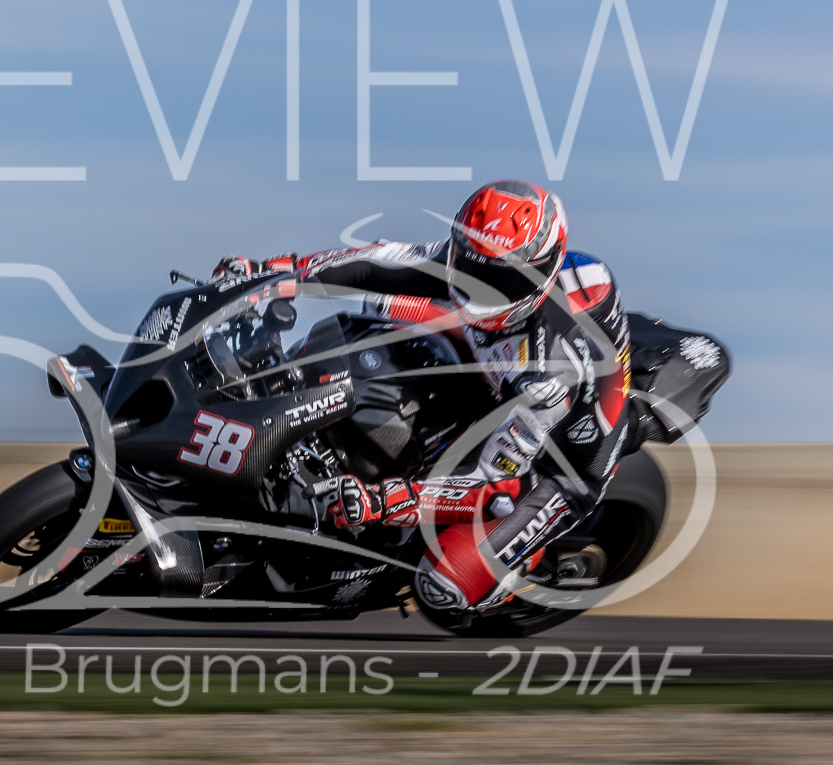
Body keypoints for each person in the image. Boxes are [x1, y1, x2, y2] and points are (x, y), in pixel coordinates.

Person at [211, 180, 632, 628]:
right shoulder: (479, 258)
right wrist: (269, 274)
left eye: (501, 282)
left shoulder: (549, 375)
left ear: (540, 273)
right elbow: (374, 260)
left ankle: (516, 572)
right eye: (471, 268)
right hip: (494, 365)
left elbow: (492, 485)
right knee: (382, 308)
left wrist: (382, 501)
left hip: (554, 466)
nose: (481, 289)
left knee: (441, 589)